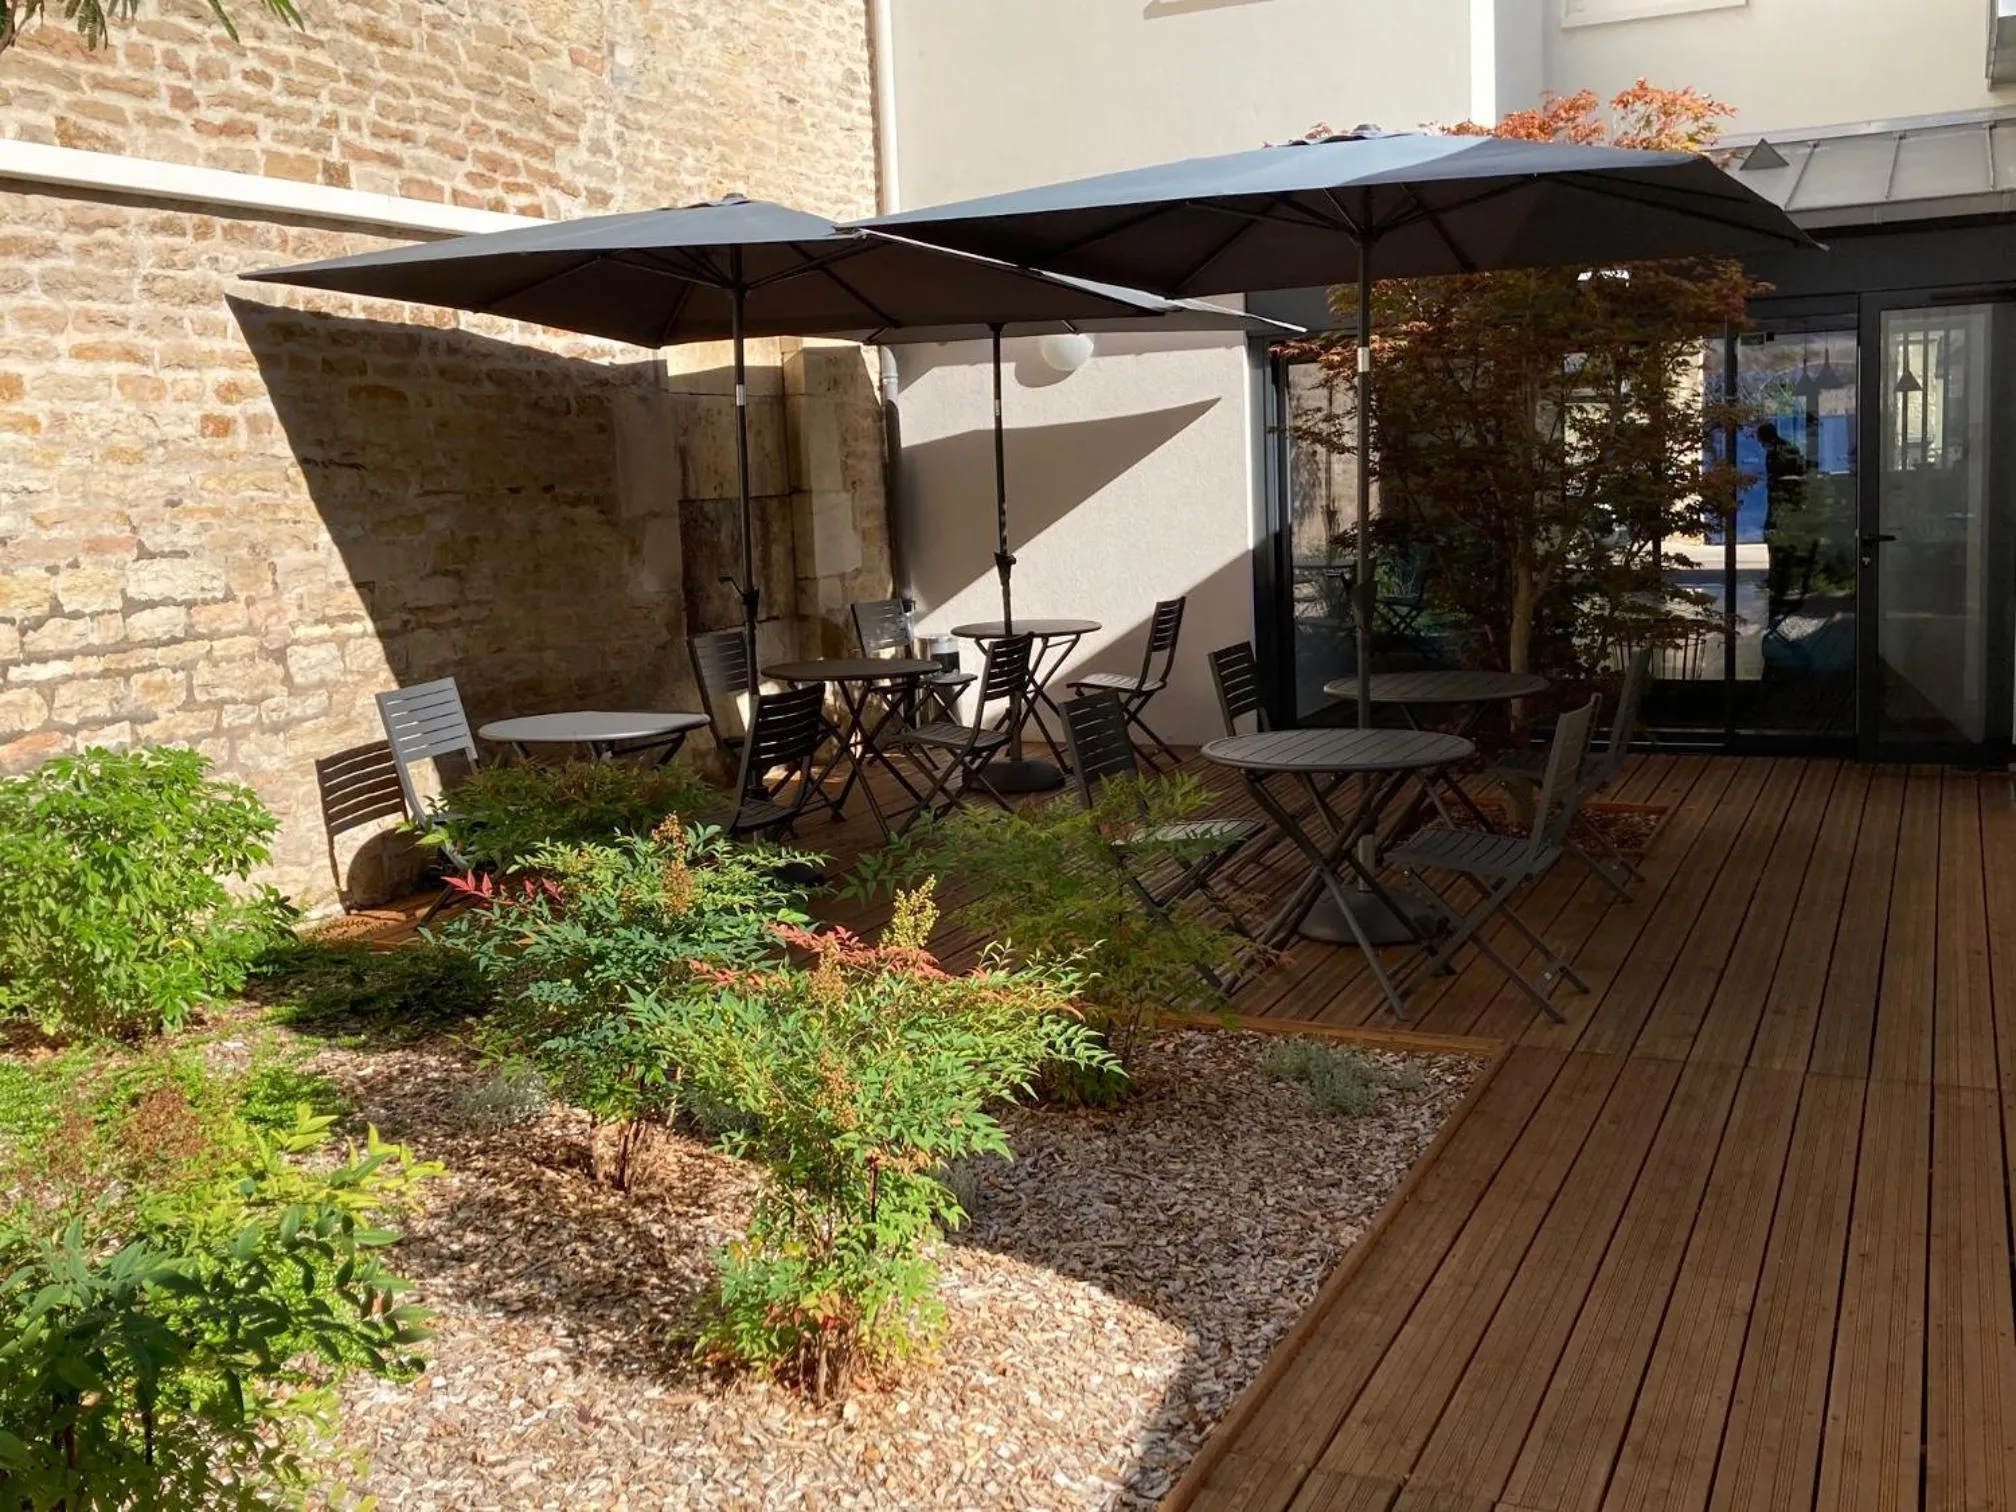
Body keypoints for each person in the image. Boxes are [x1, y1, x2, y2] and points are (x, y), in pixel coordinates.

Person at [1757, 421, 1808, 621]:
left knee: (1780, 546)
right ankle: (1777, 580)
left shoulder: (1781, 452)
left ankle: (1779, 584)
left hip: (1784, 508)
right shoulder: (1781, 449)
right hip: (1782, 507)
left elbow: (1788, 480)